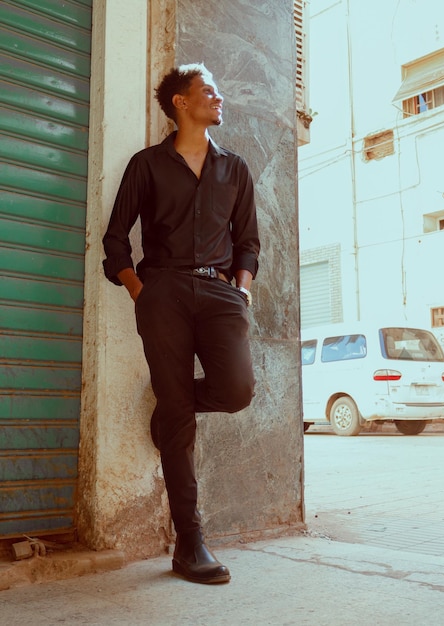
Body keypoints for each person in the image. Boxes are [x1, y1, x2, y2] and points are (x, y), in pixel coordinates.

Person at [102, 63, 260, 585]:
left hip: (220, 293)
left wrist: (241, 290)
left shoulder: (233, 168)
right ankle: (189, 543)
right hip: (163, 290)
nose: (219, 98)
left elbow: (249, 242)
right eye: (207, 92)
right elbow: (115, 239)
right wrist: (141, 292)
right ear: (180, 103)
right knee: (179, 420)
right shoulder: (147, 165)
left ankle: (172, 406)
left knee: (236, 390)